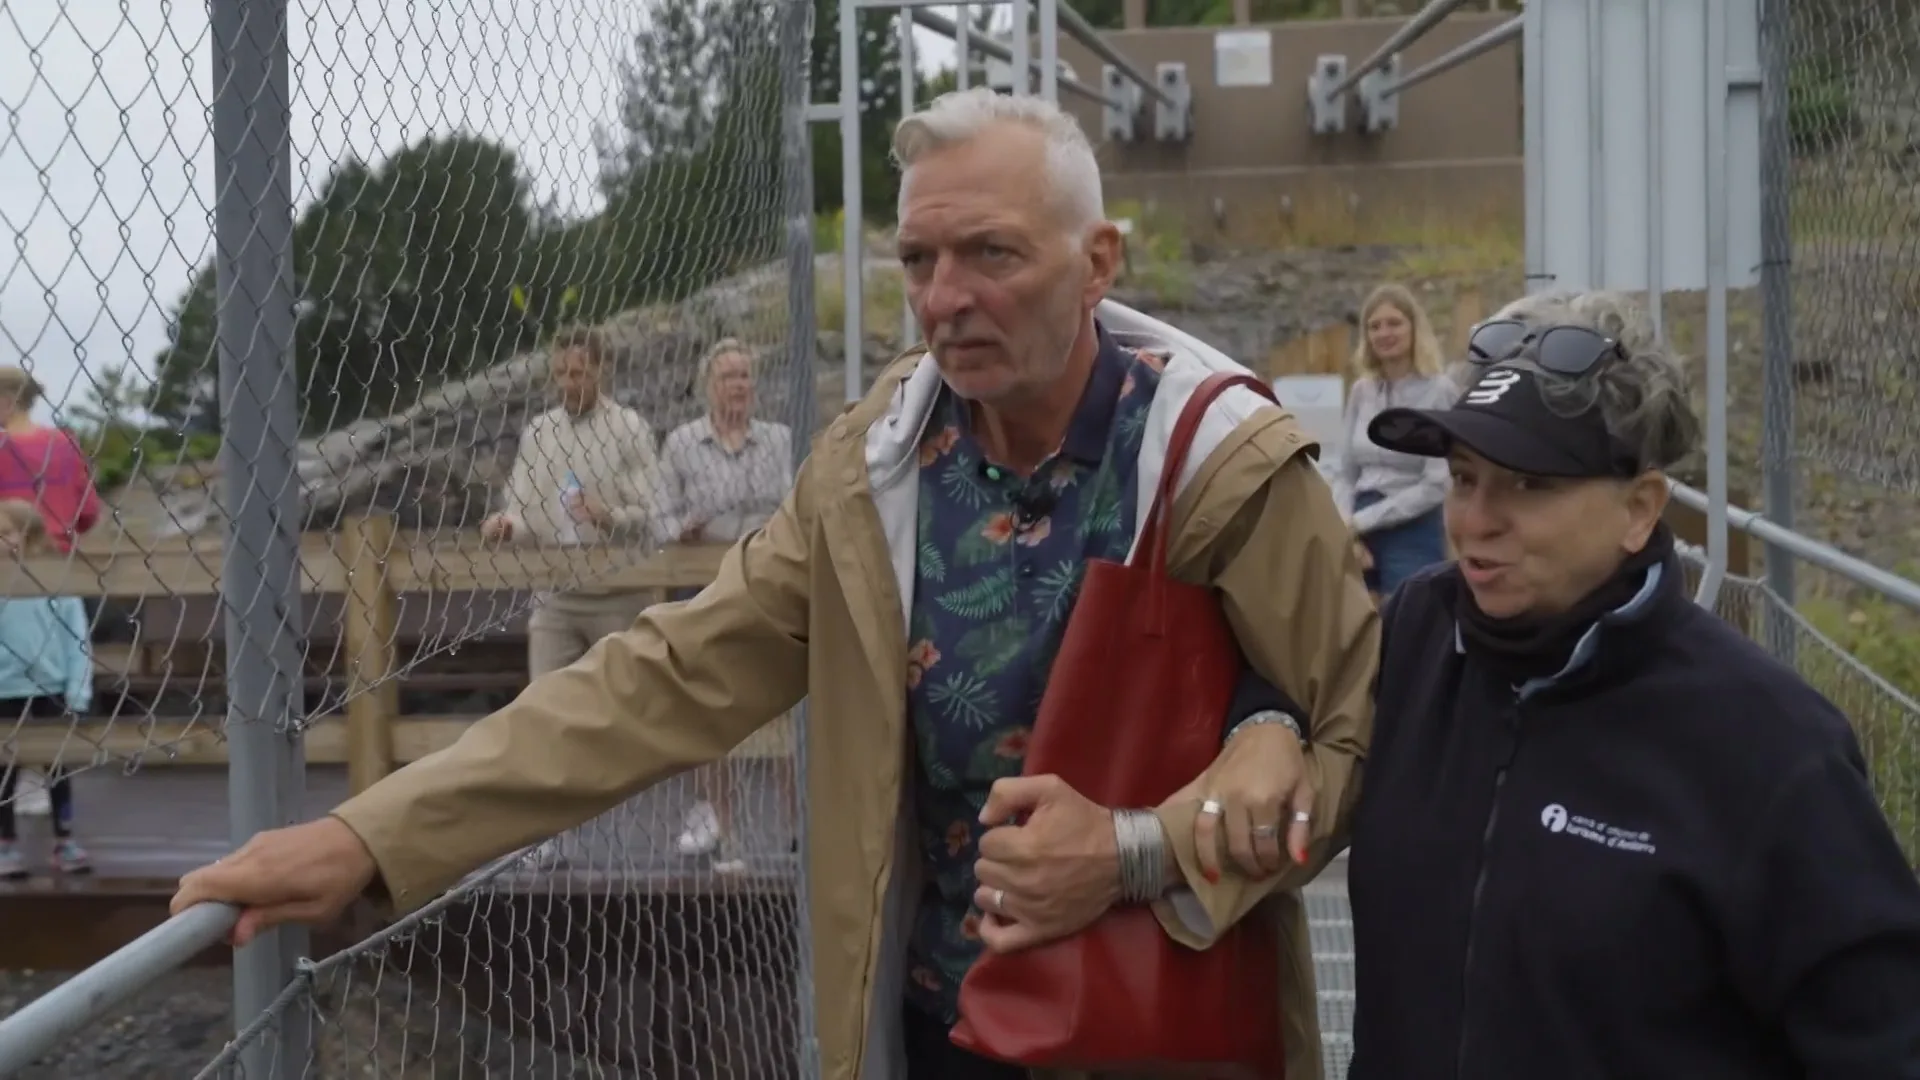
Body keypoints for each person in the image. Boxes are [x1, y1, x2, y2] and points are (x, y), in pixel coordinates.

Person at [172, 87, 1377, 1080]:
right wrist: (367, 838)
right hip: (941, 1031)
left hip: (1167, 1035)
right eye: (919, 258)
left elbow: (1357, 736)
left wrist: (1133, 850)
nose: (947, 298)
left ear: (1098, 260)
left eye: (993, 254)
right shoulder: (873, 483)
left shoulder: (1220, 465)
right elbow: (660, 680)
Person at [1344, 289, 1920, 1079]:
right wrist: (1261, 731)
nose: (1474, 521)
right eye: (1463, 477)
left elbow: (1882, 1039)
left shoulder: (1772, 747)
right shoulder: (1417, 636)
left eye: (1528, 485)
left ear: (1640, 509)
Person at [658, 339, 798, 872]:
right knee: (711, 707)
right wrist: (682, 530)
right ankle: (723, 831)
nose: (738, 386)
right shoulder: (681, 444)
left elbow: (796, 507)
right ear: (707, 387)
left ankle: (796, 830)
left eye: (745, 376)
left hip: (769, 585)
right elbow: (658, 518)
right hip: (704, 586)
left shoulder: (781, 441)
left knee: (784, 706)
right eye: (728, 377)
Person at [481, 326, 666, 681]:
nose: (567, 383)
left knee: (626, 709)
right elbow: (524, 514)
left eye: (578, 373)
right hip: (555, 594)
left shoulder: (629, 429)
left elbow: (652, 509)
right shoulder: (539, 433)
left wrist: (608, 516)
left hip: (619, 592)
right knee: (545, 709)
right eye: (561, 374)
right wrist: (505, 527)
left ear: (601, 370)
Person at [1329, 284, 1453, 597]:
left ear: (1415, 328)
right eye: (1375, 326)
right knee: (1353, 631)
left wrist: (1363, 521)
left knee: (1409, 629)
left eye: (1394, 323)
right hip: (1357, 522)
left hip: (1412, 525)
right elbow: (1345, 471)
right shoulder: (1361, 391)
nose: (1384, 333)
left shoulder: (1440, 391)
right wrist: (1345, 526)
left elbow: (1438, 483)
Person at [0, 499, 94, 877]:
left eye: (5, 533)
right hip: (4, 691)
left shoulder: (57, 582)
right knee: (3, 773)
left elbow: (78, 641)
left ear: (30, 537)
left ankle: (65, 840)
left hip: (50, 689)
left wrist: (78, 690)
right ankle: (5, 844)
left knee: (60, 768)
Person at [0, 366, 101, 553]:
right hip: (62, 555)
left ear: (6, 401)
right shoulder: (65, 442)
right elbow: (88, 511)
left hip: (9, 557)